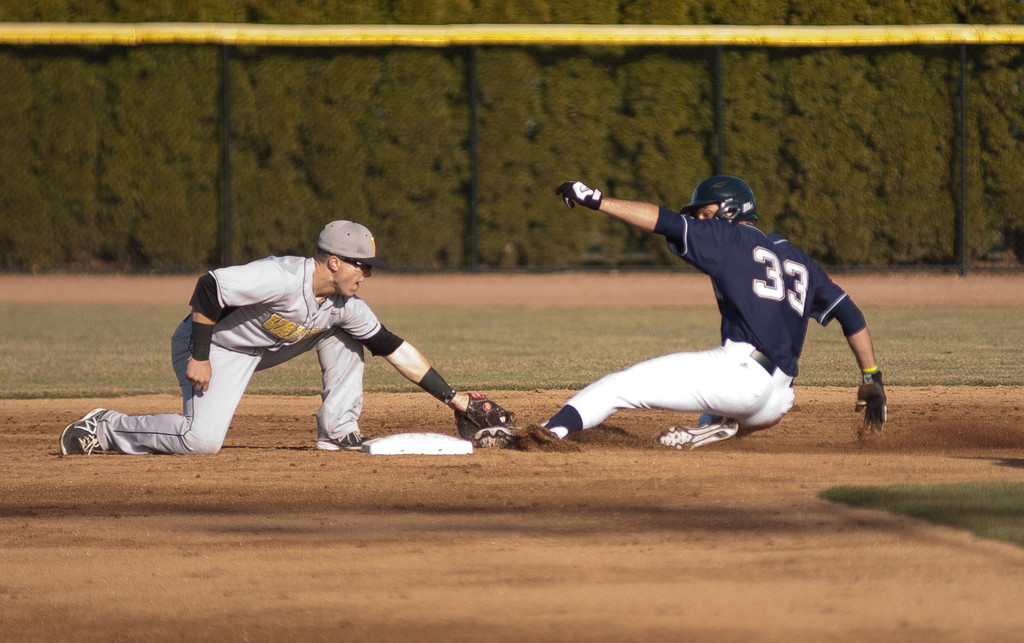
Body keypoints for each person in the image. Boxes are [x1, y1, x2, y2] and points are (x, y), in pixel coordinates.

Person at [60, 220, 482, 455]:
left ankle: (339, 431)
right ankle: (107, 426)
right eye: (362, 265)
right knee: (200, 441)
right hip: (213, 346)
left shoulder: (345, 304)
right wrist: (200, 356)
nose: (368, 273)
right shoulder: (279, 277)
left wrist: (457, 400)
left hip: (262, 349)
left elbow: (392, 347)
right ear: (335, 262)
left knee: (349, 331)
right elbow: (209, 287)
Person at [545, 175, 887, 448]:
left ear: (730, 212)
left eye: (706, 214)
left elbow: (666, 222)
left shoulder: (729, 237)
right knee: (723, 401)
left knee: (619, 387)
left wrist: (598, 201)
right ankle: (713, 427)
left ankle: (548, 432)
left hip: (740, 375)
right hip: (778, 400)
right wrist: (871, 377)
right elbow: (850, 314)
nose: (700, 221)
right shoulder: (800, 261)